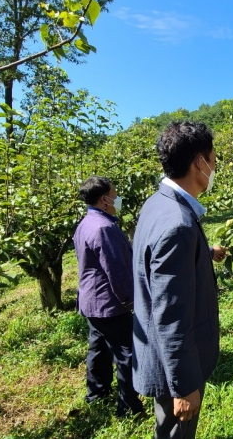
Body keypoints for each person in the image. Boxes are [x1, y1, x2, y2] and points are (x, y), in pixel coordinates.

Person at [132, 121, 227, 439]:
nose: (214, 167)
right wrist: (184, 387)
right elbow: (171, 315)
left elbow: (159, 266)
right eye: (213, 159)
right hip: (173, 369)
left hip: (156, 352)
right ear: (200, 162)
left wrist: (204, 251)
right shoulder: (178, 225)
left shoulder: (157, 204)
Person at [73, 176, 144, 418]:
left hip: (91, 302)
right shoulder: (104, 228)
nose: (118, 199)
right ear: (105, 199)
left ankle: (96, 393)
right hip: (109, 304)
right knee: (126, 353)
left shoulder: (86, 223)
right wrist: (130, 299)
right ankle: (129, 407)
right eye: (115, 195)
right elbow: (116, 268)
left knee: (99, 348)